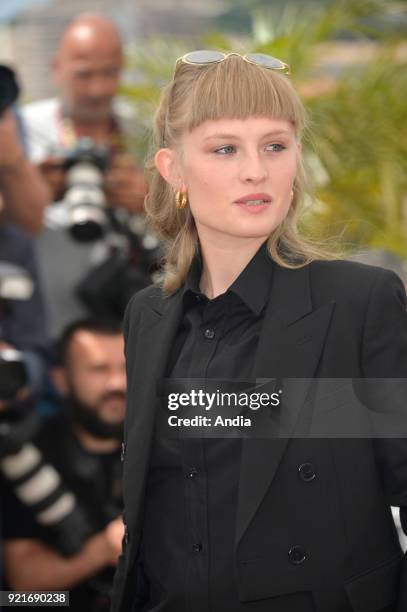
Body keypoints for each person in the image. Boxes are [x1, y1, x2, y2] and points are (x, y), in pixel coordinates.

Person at [111, 52, 407, 612]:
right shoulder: (147, 318)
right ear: (173, 169)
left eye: (275, 145)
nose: (256, 170)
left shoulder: (360, 304)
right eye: (225, 148)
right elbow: (152, 513)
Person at [22, 13, 148, 337]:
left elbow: (192, 216)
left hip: (124, 316)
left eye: (110, 73)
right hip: (38, 315)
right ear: (56, 69)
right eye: (84, 75)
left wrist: (152, 200)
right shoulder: (20, 131)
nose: (99, 88)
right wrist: (29, 189)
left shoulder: (144, 133)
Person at [3, 319, 126, 611]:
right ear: (60, 380)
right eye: (99, 369)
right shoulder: (22, 452)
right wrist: (106, 549)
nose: (117, 383)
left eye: (125, 367)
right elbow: (21, 587)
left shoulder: (164, 444)